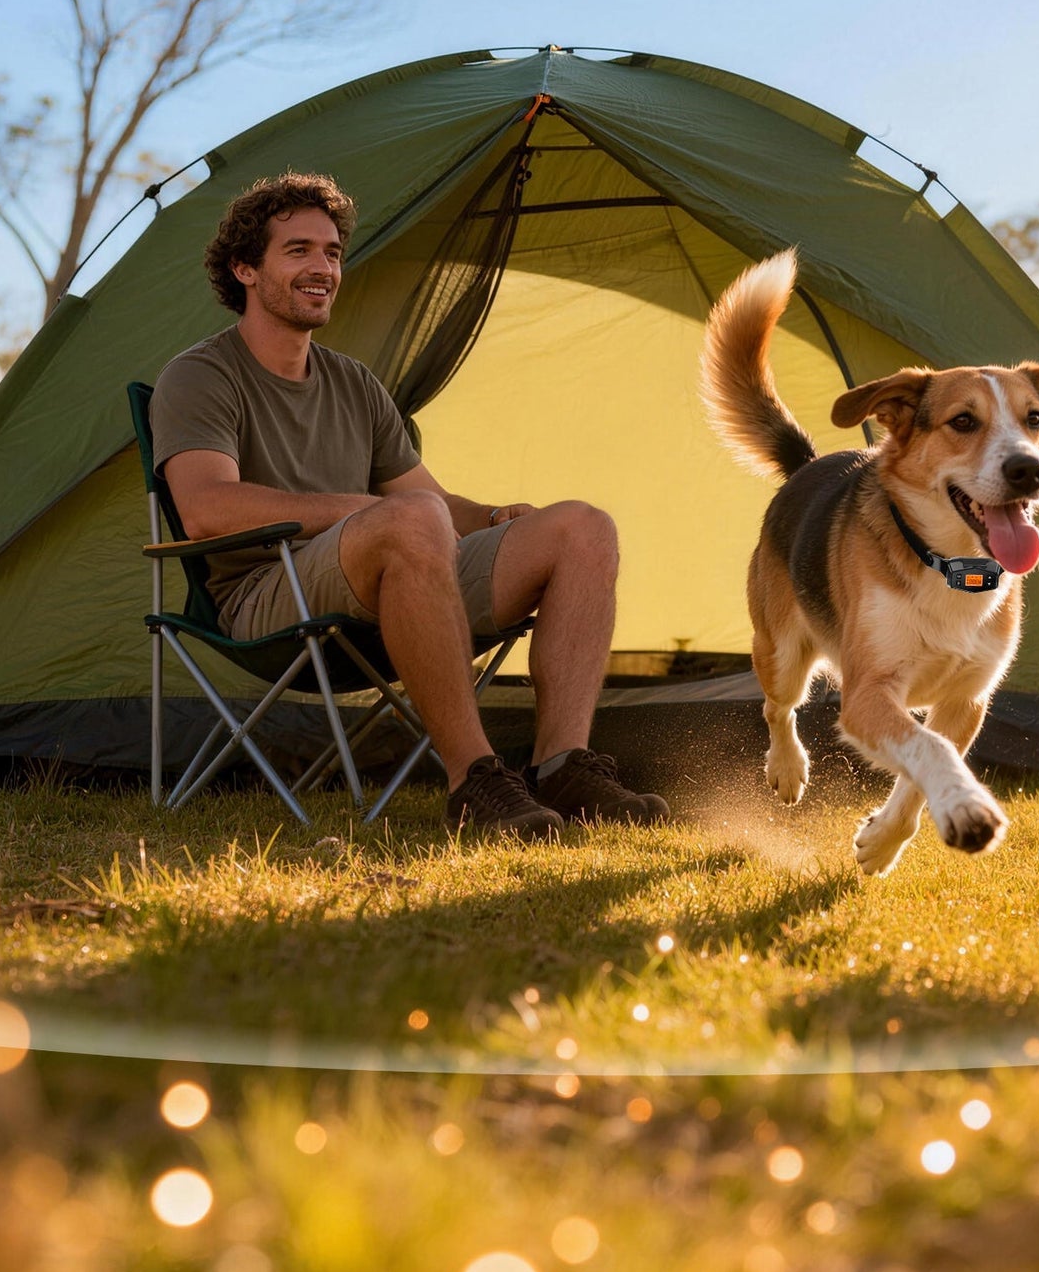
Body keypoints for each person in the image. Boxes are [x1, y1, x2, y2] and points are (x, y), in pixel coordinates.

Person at [151, 171, 670, 839]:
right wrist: (363, 511)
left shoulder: (354, 383)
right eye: (298, 250)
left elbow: (432, 502)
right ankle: (473, 780)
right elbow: (207, 509)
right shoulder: (200, 375)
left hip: (391, 581)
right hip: (268, 596)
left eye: (333, 252)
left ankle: (562, 766)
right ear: (245, 268)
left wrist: (494, 518)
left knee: (582, 526)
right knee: (411, 520)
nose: (323, 268)